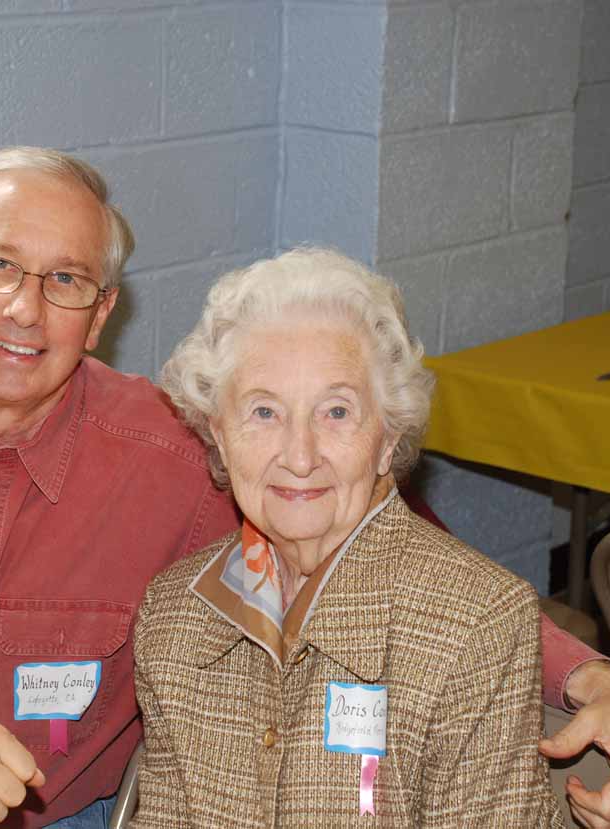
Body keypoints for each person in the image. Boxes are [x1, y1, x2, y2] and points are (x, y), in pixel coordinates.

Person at [0, 148, 610, 828]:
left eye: (65, 280)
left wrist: (586, 675)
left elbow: (369, 551)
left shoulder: (174, 453)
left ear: (102, 313)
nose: (27, 308)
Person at [130, 248, 557, 825]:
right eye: (264, 412)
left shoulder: (476, 624)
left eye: (335, 412)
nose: (299, 456)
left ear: (387, 438)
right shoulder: (174, 617)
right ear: (221, 438)